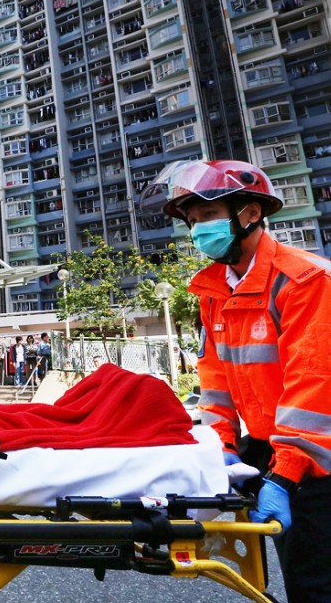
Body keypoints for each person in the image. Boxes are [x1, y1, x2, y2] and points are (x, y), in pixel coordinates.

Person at [153, 159, 331, 601]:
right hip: (274, 450)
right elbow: (215, 381)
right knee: (292, 578)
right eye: (192, 222)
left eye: (207, 216)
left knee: (315, 585)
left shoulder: (305, 280)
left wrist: (287, 474)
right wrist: (222, 448)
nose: (197, 232)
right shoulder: (215, 290)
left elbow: (314, 385)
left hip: (318, 458)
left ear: (250, 213)